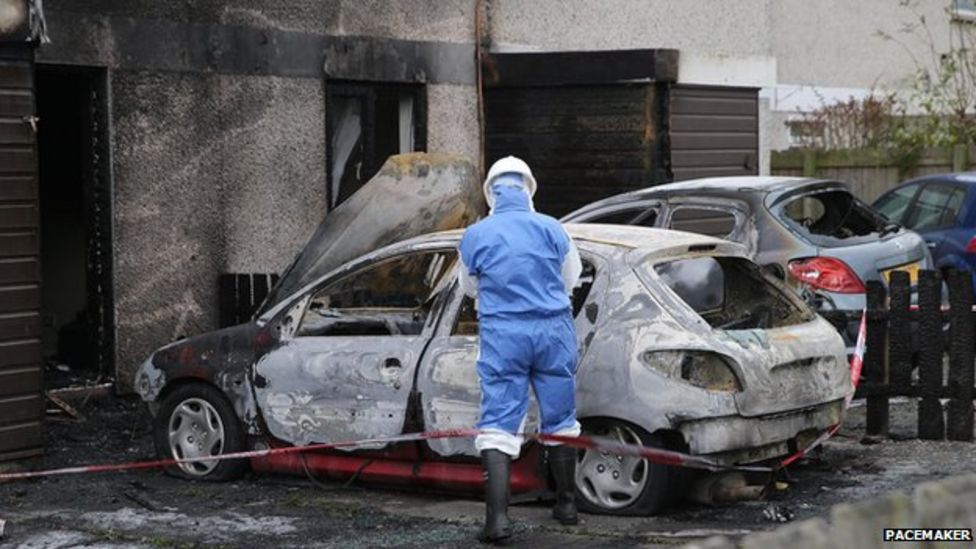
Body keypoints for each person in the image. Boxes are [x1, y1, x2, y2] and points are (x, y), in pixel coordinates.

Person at [458, 156, 583, 543]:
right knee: (561, 418)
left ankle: (497, 521)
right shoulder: (553, 228)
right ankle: (566, 505)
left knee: (498, 423)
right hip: (553, 332)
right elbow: (571, 279)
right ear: (529, 188)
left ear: (490, 193)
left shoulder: (476, 234)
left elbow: (468, 287)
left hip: (503, 335)